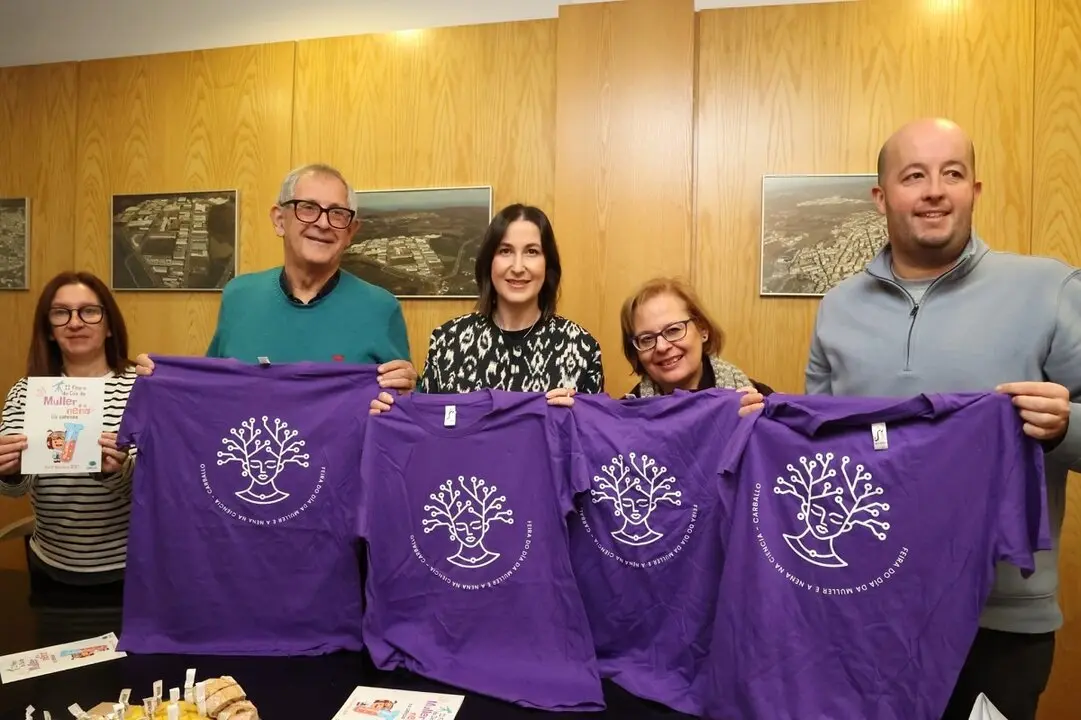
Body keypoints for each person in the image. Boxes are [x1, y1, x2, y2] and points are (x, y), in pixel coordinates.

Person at [741, 117, 1079, 720]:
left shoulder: (1049, 288)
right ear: (882, 197)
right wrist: (758, 424)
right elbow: (823, 446)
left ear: (975, 189)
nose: (933, 190)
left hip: (998, 617)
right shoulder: (840, 306)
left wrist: (1062, 427)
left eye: (952, 174)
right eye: (913, 176)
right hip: (862, 606)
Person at [136, 163, 417, 392]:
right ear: (279, 220)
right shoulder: (239, 297)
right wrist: (162, 379)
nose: (322, 223)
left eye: (337, 213)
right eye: (307, 207)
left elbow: (402, 418)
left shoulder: (380, 308)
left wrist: (405, 392)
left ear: (351, 232)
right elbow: (211, 390)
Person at [370, 203, 603, 412]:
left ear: (547, 264)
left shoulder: (581, 347)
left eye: (532, 252)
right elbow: (429, 431)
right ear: (488, 262)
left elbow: (594, 444)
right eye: (505, 251)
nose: (518, 267)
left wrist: (581, 416)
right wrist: (399, 405)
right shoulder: (448, 341)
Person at [0, 271, 139, 593]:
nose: (75, 323)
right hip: (49, 565)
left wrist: (115, 471)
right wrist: (9, 472)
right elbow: (13, 491)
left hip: (131, 568)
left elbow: (158, 491)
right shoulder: (26, 392)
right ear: (49, 330)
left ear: (108, 325)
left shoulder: (141, 388)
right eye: (61, 312)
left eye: (89, 311)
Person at [620, 276, 773, 399]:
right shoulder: (626, 418)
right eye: (646, 339)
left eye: (673, 330)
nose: (661, 346)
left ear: (702, 329)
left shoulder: (759, 399)